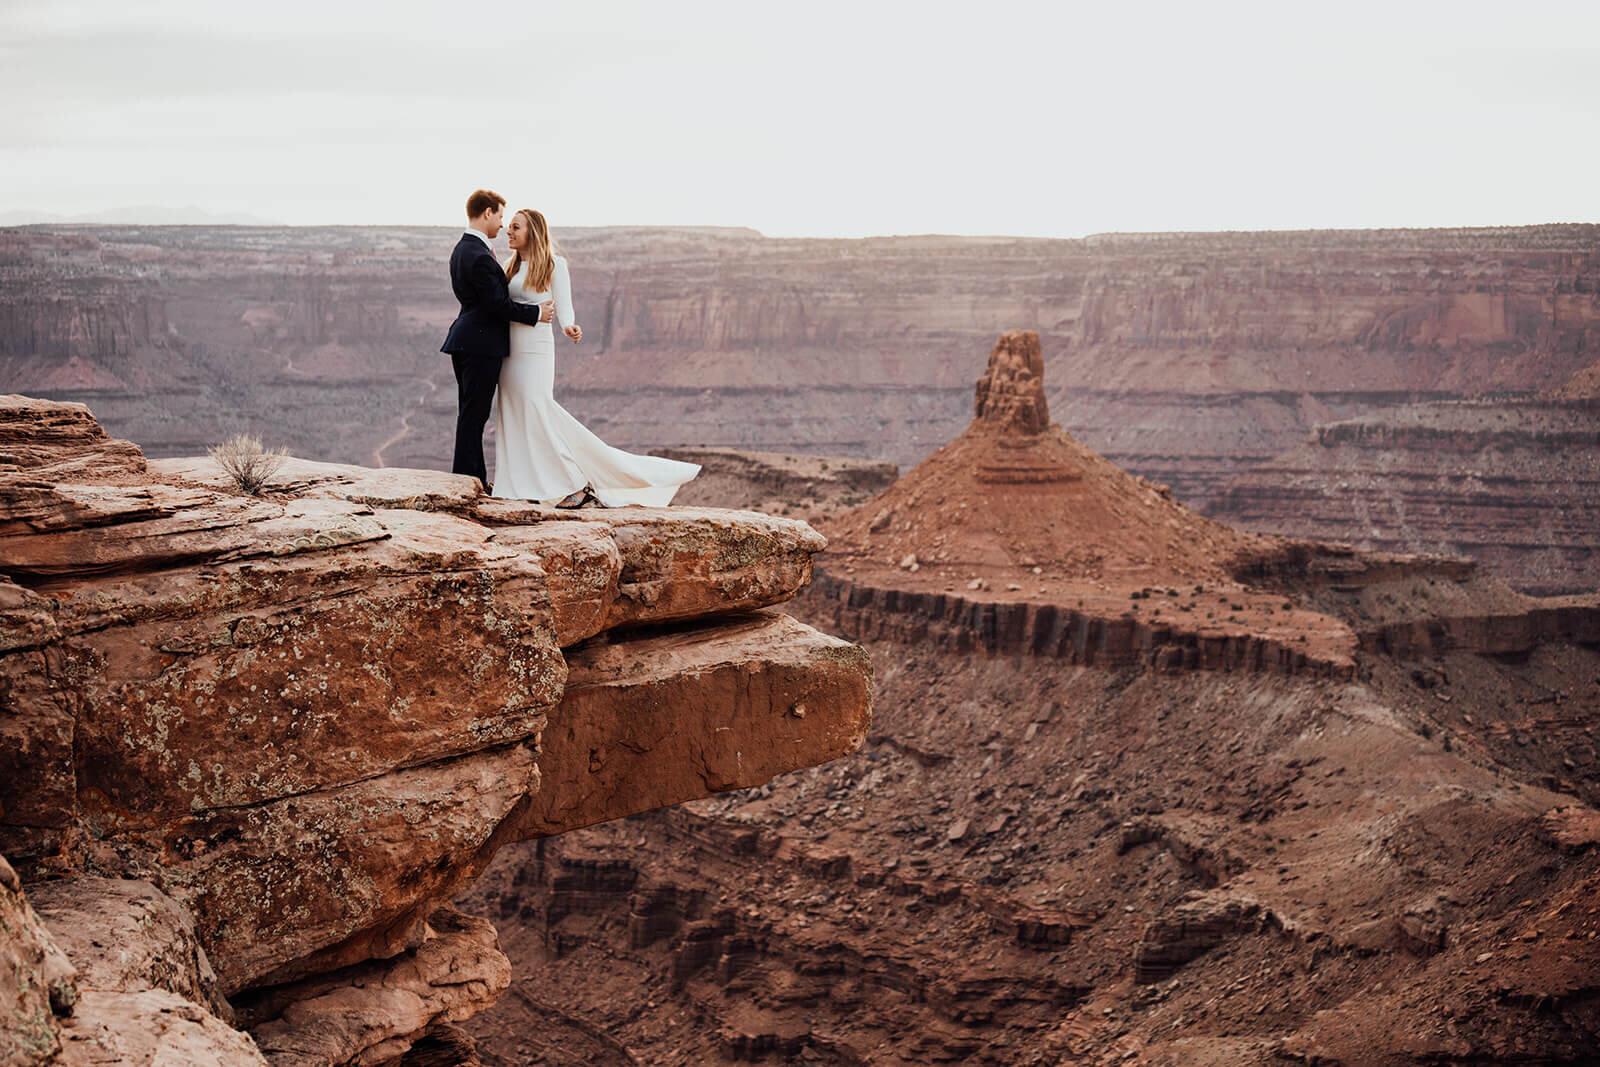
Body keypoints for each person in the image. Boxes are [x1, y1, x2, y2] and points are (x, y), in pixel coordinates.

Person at [493, 208, 699, 506]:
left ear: (533, 233)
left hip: (535, 351)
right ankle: (519, 485)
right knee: (513, 413)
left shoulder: (554, 265)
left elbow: (565, 307)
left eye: (515, 227)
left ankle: (576, 483)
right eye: (509, 226)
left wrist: (569, 327)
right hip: (509, 354)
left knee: (537, 411)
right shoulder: (508, 266)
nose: (508, 232)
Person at [441, 189, 554, 488]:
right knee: (474, 416)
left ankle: (474, 479)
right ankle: (466, 481)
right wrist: (535, 313)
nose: (502, 225)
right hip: (479, 344)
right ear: (488, 212)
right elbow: (495, 305)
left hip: (467, 339)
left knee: (472, 414)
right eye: (501, 216)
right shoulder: (478, 255)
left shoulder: (462, 249)